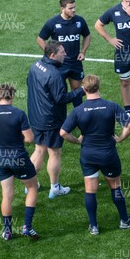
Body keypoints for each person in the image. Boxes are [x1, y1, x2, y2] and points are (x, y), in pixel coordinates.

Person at [60, 74, 130, 235]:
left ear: (84, 89)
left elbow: (63, 133)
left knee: (90, 190)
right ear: (99, 87)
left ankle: (94, 226)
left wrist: (78, 141)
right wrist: (120, 139)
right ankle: (124, 220)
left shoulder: (78, 110)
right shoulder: (110, 106)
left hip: (88, 154)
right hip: (108, 154)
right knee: (115, 186)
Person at [0, 83, 40, 240]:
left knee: (7, 195)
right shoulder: (18, 114)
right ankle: (27, 226)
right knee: (32, 187)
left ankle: (7, 231)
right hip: (19, 157)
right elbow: (29, 139)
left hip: (2, 159)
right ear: (12, 96)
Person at [27, 41, 85, 198]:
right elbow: (61, 98)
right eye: (62, 52)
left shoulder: (35, 65)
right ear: (52, 55)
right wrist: (80, 91)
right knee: (55, 152)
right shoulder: (54, 74)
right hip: (50, 119)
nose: (65, 54)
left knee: (39, 150)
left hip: (36, 117)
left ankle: (30, 184)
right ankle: (55, 188)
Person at [37, 0, 91, 108]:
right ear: (62, 8)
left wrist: (83, 51)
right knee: (58, 92)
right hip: (59, 64)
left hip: (75, 62)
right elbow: (40, 39)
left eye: (74, 7)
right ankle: (59, 118)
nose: (74, 10)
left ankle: (78, 117)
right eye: (70, 8)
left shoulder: (79, 21)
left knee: (77, 91)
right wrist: (50, 54)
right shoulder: (52, 22)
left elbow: (87, 35)